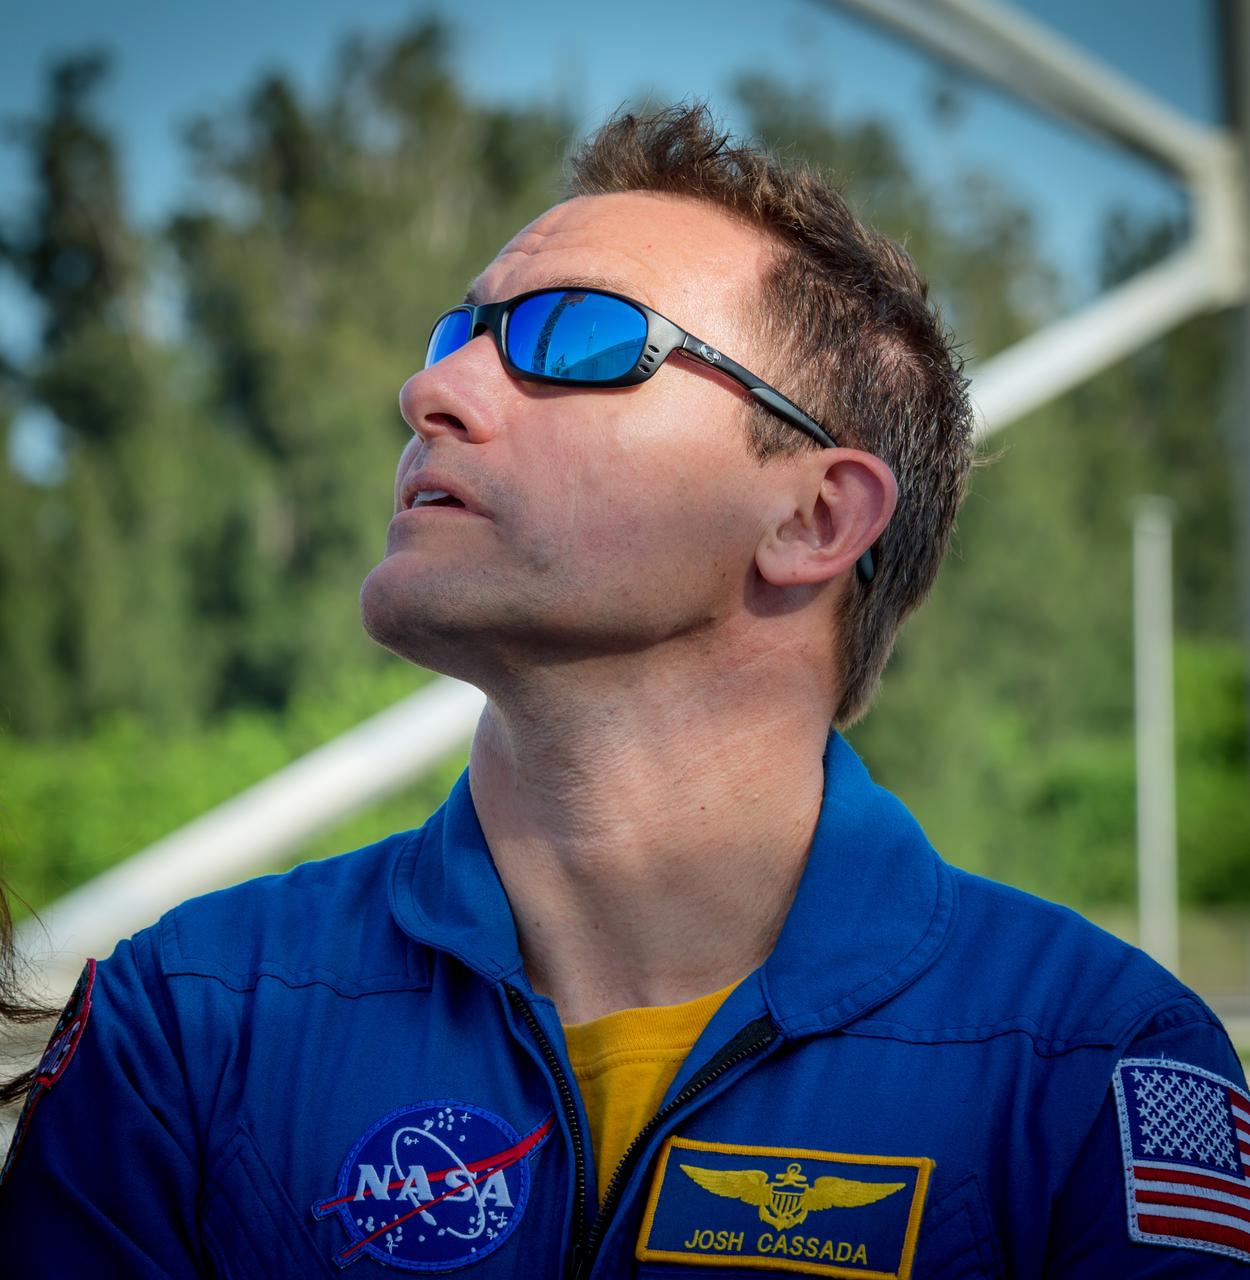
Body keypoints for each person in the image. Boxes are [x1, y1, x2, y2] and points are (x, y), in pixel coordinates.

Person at [1, 104, 1247, 1278]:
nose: (430, 390)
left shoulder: (1088, 1071)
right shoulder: (186, 1024)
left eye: (575, 336)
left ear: (814, 515)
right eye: (457, 334)